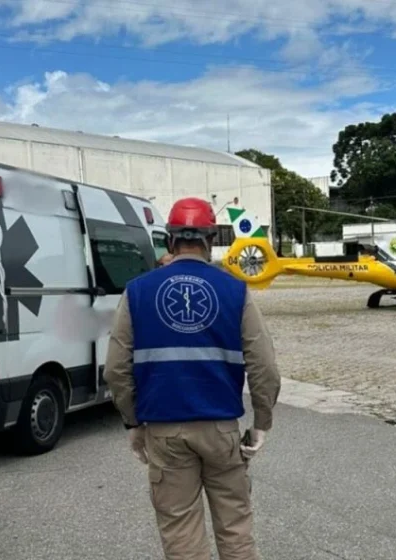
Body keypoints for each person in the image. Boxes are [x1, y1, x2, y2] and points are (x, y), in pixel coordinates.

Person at [104, 197, 281, 560]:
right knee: (236, 529)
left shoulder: (137, 291)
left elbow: (116, 369)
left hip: (164, 432)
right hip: (221, 431)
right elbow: (264, 365)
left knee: (181, 533)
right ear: (210, 239)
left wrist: (133, 422)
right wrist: (261, 422)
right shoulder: (235, 290)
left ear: (170, 240)